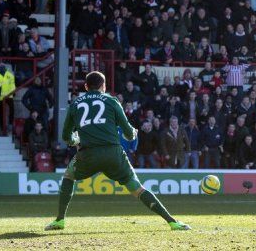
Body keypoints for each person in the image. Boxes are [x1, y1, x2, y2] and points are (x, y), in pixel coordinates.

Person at [45, 71, 190, 231]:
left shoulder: (75, 104)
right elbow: (128, 133)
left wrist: (75, 140)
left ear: (86, 86)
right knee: (137, 188)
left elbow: (66, 136)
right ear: (104, 86)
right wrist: (133, 133)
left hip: (87, 155)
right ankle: (172, 222)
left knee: (68, 177)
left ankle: (59, 220)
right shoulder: (112, 101)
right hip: (113, 154)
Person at [0, 64, 16, 132]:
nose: (2, 68)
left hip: (9, 96)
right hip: (0, 97)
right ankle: (2, 127)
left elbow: (12, 84)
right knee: (1, 112)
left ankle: (10, 123)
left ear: (5, 68)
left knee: (12, 109)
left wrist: (13, 92)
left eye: (3, 67)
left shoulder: (10, 75)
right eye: (0, 67)